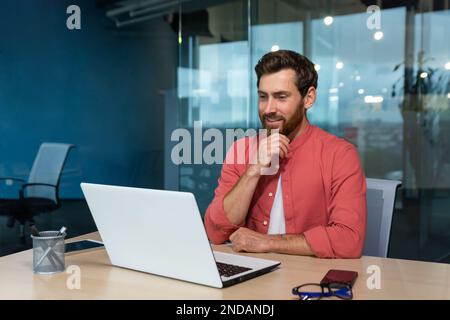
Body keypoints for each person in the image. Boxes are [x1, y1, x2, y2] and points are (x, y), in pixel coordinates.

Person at [204, 50, 367, 258]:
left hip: (307, 279)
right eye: (263, 97)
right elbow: (215, 232)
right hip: (251, 278)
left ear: (308, 98)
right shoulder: (241, 149)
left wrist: (267, 242)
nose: (269, 109)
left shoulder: (340, 155)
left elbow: (349, 241)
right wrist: (253, 170)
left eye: (281, 97)